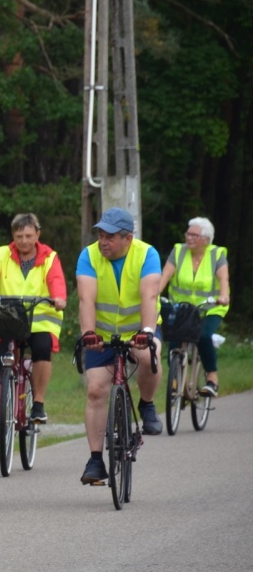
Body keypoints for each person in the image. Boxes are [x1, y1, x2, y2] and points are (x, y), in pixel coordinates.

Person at [76, 207, 163, 485]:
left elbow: (149, 295)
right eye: (100, 235)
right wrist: (88, 333)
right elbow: (86, 300)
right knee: (95, 390)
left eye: (110, 237)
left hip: (137, 331)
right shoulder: (88, 255)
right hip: (101, 335)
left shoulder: (146, 254)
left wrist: (147, 332)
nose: (103, 241)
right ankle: (94, 460)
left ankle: (147, 404)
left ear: (128, 238)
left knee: (150, 357)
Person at [0, 212, 67, 432]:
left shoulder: (49, 257)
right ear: (13, 235)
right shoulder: (2, 255)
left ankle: (38, 403)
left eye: (29, 235)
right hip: (7, 320)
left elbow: (56, 280)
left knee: (42, 349)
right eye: (19, 236)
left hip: (38, 321)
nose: (24, 240)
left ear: (37, 234)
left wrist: (58, 298)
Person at [159, 217, 230, 397]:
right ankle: (175, 380)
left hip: (210, 308)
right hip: (181, 308)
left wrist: (223, 296)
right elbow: (164, 277)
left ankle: (212, 379)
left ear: (206, 239)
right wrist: (154, 295)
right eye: (188, 233)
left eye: (194, 234)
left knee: (204, 336)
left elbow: (223, 279)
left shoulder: (216, 254)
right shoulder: (178, 252)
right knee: (174, 339)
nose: (189, 237)